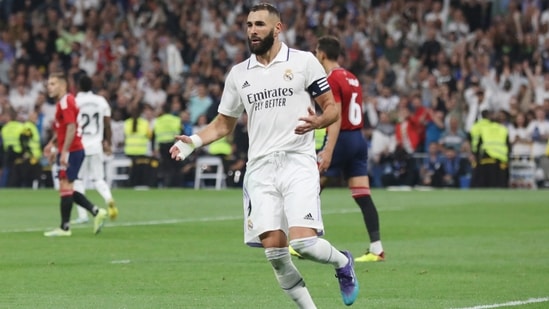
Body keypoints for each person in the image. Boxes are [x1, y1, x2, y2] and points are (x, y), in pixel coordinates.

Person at [169, 3, 359, 307]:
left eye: (259, 24)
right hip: (259, 169)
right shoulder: (239, 74)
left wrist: (319, 121)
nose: (253, 30)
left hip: (297, 162)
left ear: (277, 28)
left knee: (305, 243)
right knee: (275, 254)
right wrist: (192, 141)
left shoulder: (303, 62)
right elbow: (222, 124)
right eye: (248, 25)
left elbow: (332, 107)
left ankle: (342, 263)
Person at [312, 35, 385, 262]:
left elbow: (335, 116)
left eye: (316, 52)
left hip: (341, 137)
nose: (315, 56)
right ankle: (377, 248)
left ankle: (302, 241)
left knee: (309, 186)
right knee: (362, 195)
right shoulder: (352, 77)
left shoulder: (331, 78)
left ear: (322, 54)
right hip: (358, 139)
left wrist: (329, 150)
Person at [42, 72, 107, 237]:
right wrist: (52, 143)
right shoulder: (63, 102)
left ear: (63, 85)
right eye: (49, 84)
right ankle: (96, 211)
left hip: (72, 150)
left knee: (66, 188)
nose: (49, 87)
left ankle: (65, 228)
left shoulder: (66, 102)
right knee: (66, 189)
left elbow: (71, 127)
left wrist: (63, 151)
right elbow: (63, 128)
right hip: (70, 149)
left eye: (53, 84)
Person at [71, 75, 118, 224]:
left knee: (77, 180)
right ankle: (108, 198)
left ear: (78, 86)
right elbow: (107, 124)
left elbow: (70, 125)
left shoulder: (75, 102)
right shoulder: (101, 101)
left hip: (80, 145)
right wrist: (108, 143)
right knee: (98, 178)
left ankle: (83, 215)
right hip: (96, 144)